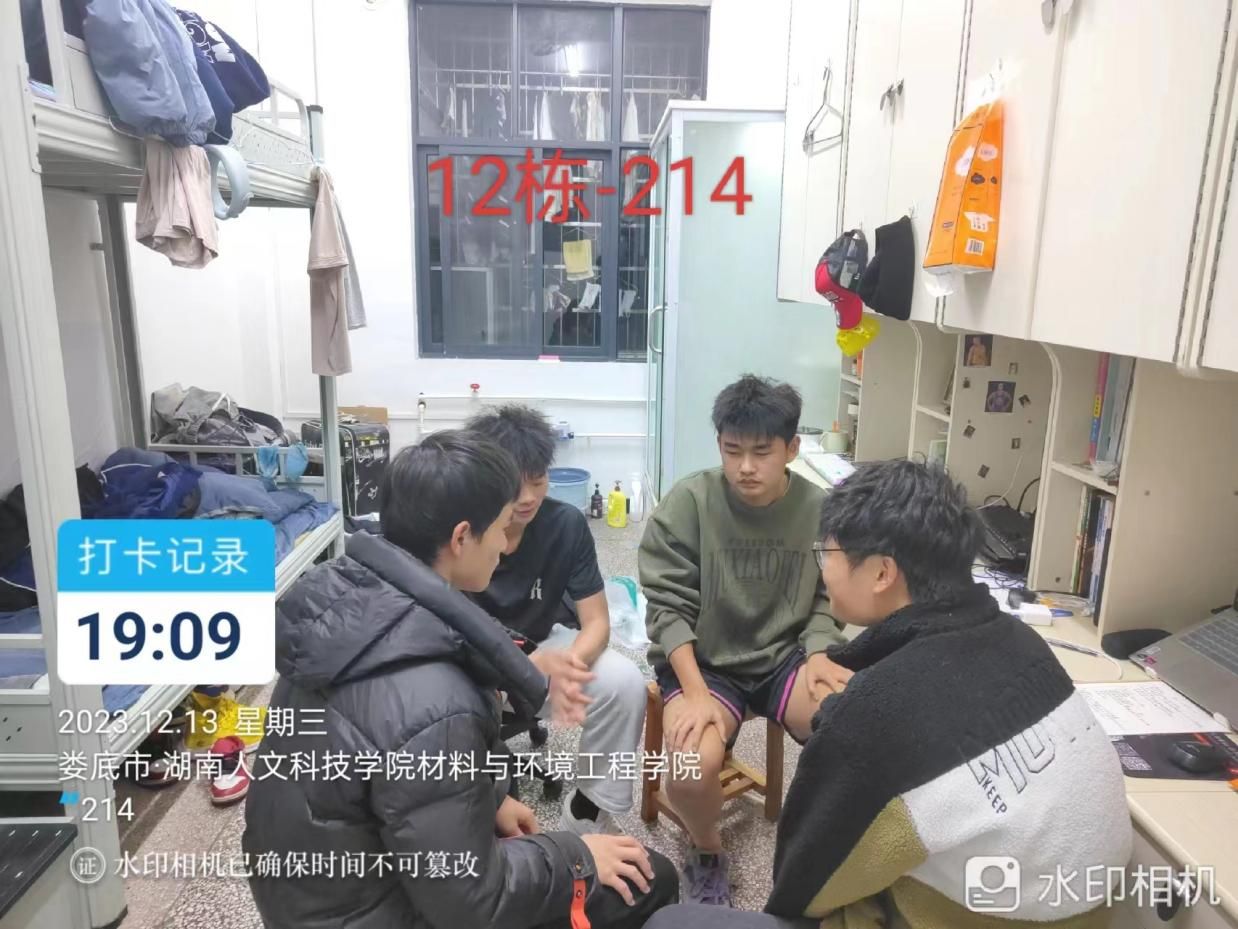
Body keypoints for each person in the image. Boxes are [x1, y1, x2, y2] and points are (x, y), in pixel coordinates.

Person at [646, 460, 1132, 929]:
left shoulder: (871, 715)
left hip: (983, 916)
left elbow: (801, 890)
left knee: (672, 921)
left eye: (828, 555)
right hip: (1093, 909)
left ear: (882, 573)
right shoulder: (1024, 639)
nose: (823, 570)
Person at [243, 431, 678, 929]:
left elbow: (387, 769)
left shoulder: (342, 613)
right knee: (649, 878)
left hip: (314, 897)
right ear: (461, 537)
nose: (505, 544)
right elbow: (472, 901)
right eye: (501, 528)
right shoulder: (438, 699)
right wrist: (575, 857)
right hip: (377, 912)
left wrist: (490, 798)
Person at [638, 374, 851, 907]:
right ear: (719, 445)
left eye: (762, 452)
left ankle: (827, 854)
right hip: (705, 662)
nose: (746, 467)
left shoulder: (821, 511)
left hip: (785, 656)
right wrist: (694, 692)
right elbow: (666, 608)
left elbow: (829, 595)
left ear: (792, 448)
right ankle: (706, 851)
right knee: (690, 766)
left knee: (850, 725)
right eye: (733, 451)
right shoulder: (689, 502)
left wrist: (819, 650)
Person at [464, 405, 649, 836]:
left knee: (624, 682)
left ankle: (588, 812)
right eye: (515, 485)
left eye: (538, 480)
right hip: (469, 659)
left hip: (541, 650)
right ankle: (478, 813)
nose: (528, 497)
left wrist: (569, 664)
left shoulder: (565, 525)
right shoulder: (463, 528)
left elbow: (596, 623)